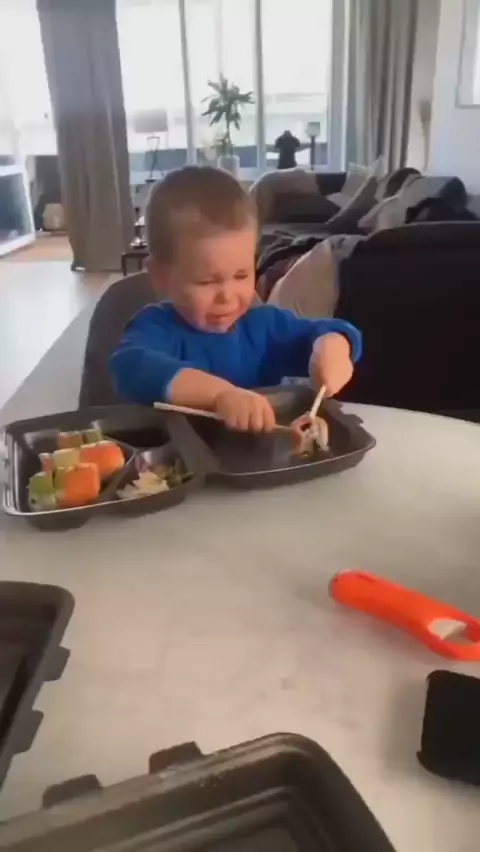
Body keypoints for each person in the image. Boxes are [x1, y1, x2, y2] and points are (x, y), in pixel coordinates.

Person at [109, 166, 361, 433]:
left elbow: (323, 331)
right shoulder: (156, 328)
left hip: (262, 455)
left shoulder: (265, 326)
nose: (227, 296)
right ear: (161, 277)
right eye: (207, 281)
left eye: (241, 275)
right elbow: (131, 366)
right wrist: (220, 395)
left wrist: (333, 346)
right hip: (181, 454)